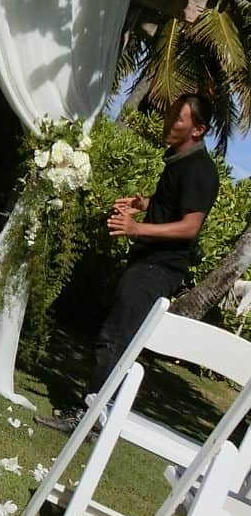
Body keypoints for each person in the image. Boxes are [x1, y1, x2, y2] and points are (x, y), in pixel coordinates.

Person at [39, 93, 220, 433]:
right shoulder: (181, 162)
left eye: (177, 119)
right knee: (115, 335)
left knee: (116, 340)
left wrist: (137, 228)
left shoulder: (200, 170)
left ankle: (89, 418)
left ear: (198, 129)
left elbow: (190, 225)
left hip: (159, 269)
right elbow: (174, 203)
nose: (169, 121)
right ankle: (94, 414)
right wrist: (144, 203)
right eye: (170, 114)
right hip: (147, 262)